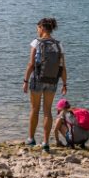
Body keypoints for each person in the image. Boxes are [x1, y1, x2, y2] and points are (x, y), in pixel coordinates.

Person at [22, 17, 67, 152]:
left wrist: (25, 81)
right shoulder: (59, 45)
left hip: (37, 79)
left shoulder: (36, 42)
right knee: (47, 111)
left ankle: (31, 139)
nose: (37, 30)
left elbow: (31, 64)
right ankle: (46, 143)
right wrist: (65, 84)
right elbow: (63, 67)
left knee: (35, 109)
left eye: (37, 28)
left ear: (42, 27)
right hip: (52, 81)